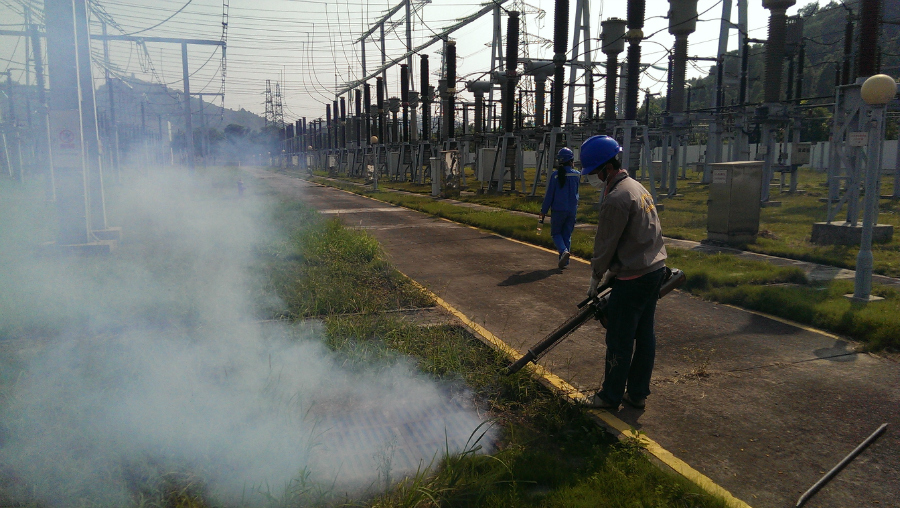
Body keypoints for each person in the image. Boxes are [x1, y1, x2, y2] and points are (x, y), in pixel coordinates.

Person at [579, 135, 667, 411]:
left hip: (634, 278)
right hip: (653, 270)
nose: (592, 178)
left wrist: (596, 276)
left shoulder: (616, 198)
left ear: (606, 168)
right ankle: (637, 393)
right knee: (644, 336)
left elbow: (606, 243)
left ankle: (609, 396)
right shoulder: (636, 187)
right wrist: (614, 272)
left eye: (593, 173)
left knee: (619, 337)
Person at [540, 147, 581, 269]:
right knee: (567, 235)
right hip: (572, 210)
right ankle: (564, 262)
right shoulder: (576, 175)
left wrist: (543, 211)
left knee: (556, 233)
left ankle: (563, 251)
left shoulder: (555, 176)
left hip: (558, 210)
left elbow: (549, 195)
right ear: (571, 160)